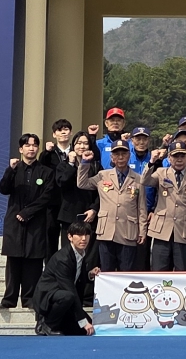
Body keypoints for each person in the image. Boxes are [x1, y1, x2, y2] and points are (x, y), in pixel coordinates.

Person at [0, 134, 55, 309]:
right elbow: (4, 189)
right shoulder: (15, 169)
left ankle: (29, 299)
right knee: (14, 261)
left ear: (38, 148)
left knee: (34, 261)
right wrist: (10, 170)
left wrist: (28, 212)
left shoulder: (46, 172)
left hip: (36, 222)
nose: (31, 148)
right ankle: (9, 299)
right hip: (15, 223)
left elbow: (47, 196)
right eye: (27, 145)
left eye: (34, 145)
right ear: (20, 149)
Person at [77, 140, 147, 272]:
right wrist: (85, 162)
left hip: (128, 231)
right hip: (106, 231)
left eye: (123, 154)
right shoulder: (103, 175)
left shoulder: (138, 178)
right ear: (112, 157)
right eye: (117, 154)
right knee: (106, 270)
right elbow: (82, 183)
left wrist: (142, 231)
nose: (120, 157)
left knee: (126, 272)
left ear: (129, 155)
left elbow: (142, 208)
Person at [142, 142, 186, 271]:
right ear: (169, 158)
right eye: (176, 156)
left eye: (182, 156)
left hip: (183, 230)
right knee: (159, 270)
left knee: (182, 270)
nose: (179, 159)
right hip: (162, 230)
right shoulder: (161, 173)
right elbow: (145, 181)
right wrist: (151, 162)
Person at [55, 131, 101, 305]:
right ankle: (69, 294)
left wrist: (94, 209)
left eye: (85, 143)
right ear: (73, 146)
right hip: (70, 218)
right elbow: (62, 182)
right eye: (78, 143)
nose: (82, 146)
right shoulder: (65, 164)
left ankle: (87, 297)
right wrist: (71, 162)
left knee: (90, 258)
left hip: (90, 218)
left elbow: (102, 190)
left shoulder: (96, 166)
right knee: (70, 257)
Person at [32, 222, 100, 336]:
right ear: (70, 237)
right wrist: (83, 321)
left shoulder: (81, 253)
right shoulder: (63, 259)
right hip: (48, 298)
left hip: (64, 299)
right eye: (79, 235)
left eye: (86, 235)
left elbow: (75, 275)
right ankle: (46, 325)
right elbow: (69, 289)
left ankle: (58, 324)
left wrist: (89, 274)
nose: (84, 239)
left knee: (88, 330)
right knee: (68, 297)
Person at [39, 119, 73, 260]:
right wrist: (46, 152)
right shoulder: (49, 153)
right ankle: (50, 272)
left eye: (66, 129)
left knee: (69, 238)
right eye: (60, 130)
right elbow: (40, 168)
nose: (63, 132)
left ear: (71, 132)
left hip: (70, 202)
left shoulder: (76, 152)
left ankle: (68, 269)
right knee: (50, 237)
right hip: (52, 203)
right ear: (54, 134)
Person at [128, 127, 154, 271]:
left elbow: (160, 186)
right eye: (138, 139)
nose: (141, 142)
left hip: (148, 212)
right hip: (129, 211)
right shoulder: (126, 157)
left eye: (144, 139)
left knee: (143, 251)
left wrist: (155, 208)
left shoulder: (154, 160)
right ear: (132, 140)